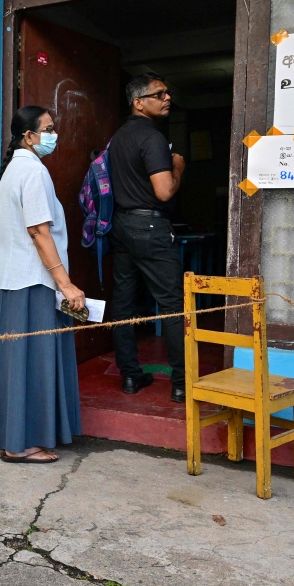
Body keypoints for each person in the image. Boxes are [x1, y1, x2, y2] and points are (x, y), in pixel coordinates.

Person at [0, 106, 84, 463]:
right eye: (48, 129)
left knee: (14, 362)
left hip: (9, 280)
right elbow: (39, 231)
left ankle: (14, 438)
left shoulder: (13, 170)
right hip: (32, 282)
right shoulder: (33, 172)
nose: (54, 135)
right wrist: (66, 284)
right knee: (31, 362)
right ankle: (20, 444)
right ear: (29, 136)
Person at [108, 73, 187, 403]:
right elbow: (164, 191)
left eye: (168, 93)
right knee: (171, 304)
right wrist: (179, 166)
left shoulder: (119, 138)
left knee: (124, 304)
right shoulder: (152, 138)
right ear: (138, 102)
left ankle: (130, 376)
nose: (167, 98)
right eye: (159, 94)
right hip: (150, 228)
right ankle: (182, 382)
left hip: (122, 226)